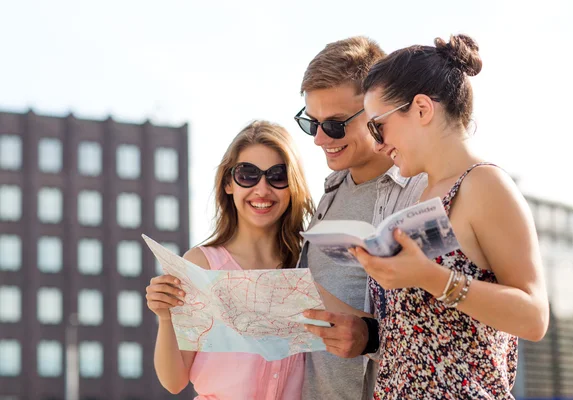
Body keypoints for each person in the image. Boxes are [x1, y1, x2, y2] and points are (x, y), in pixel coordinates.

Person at [349, 33, 549, 399]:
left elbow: (534, 318)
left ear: (422, 108)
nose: (377, 144)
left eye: (378, 126)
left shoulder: (485, 185)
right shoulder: (423, 196)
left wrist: (429, 276)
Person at [295, 37, 427, 400]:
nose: (320, 139)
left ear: (376, 110)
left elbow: (445, 329)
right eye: (312, 123)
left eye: (336, 125)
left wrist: (372, 336)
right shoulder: (330, 192)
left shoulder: (422, 193)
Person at [146, 121, 314, 399]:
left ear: (292, 184)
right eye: (248, 174)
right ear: (228, 183)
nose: (262, 189)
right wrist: (165, 317)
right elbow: (173, 381)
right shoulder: (202, 265)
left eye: (277, 175)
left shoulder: (307, 263)